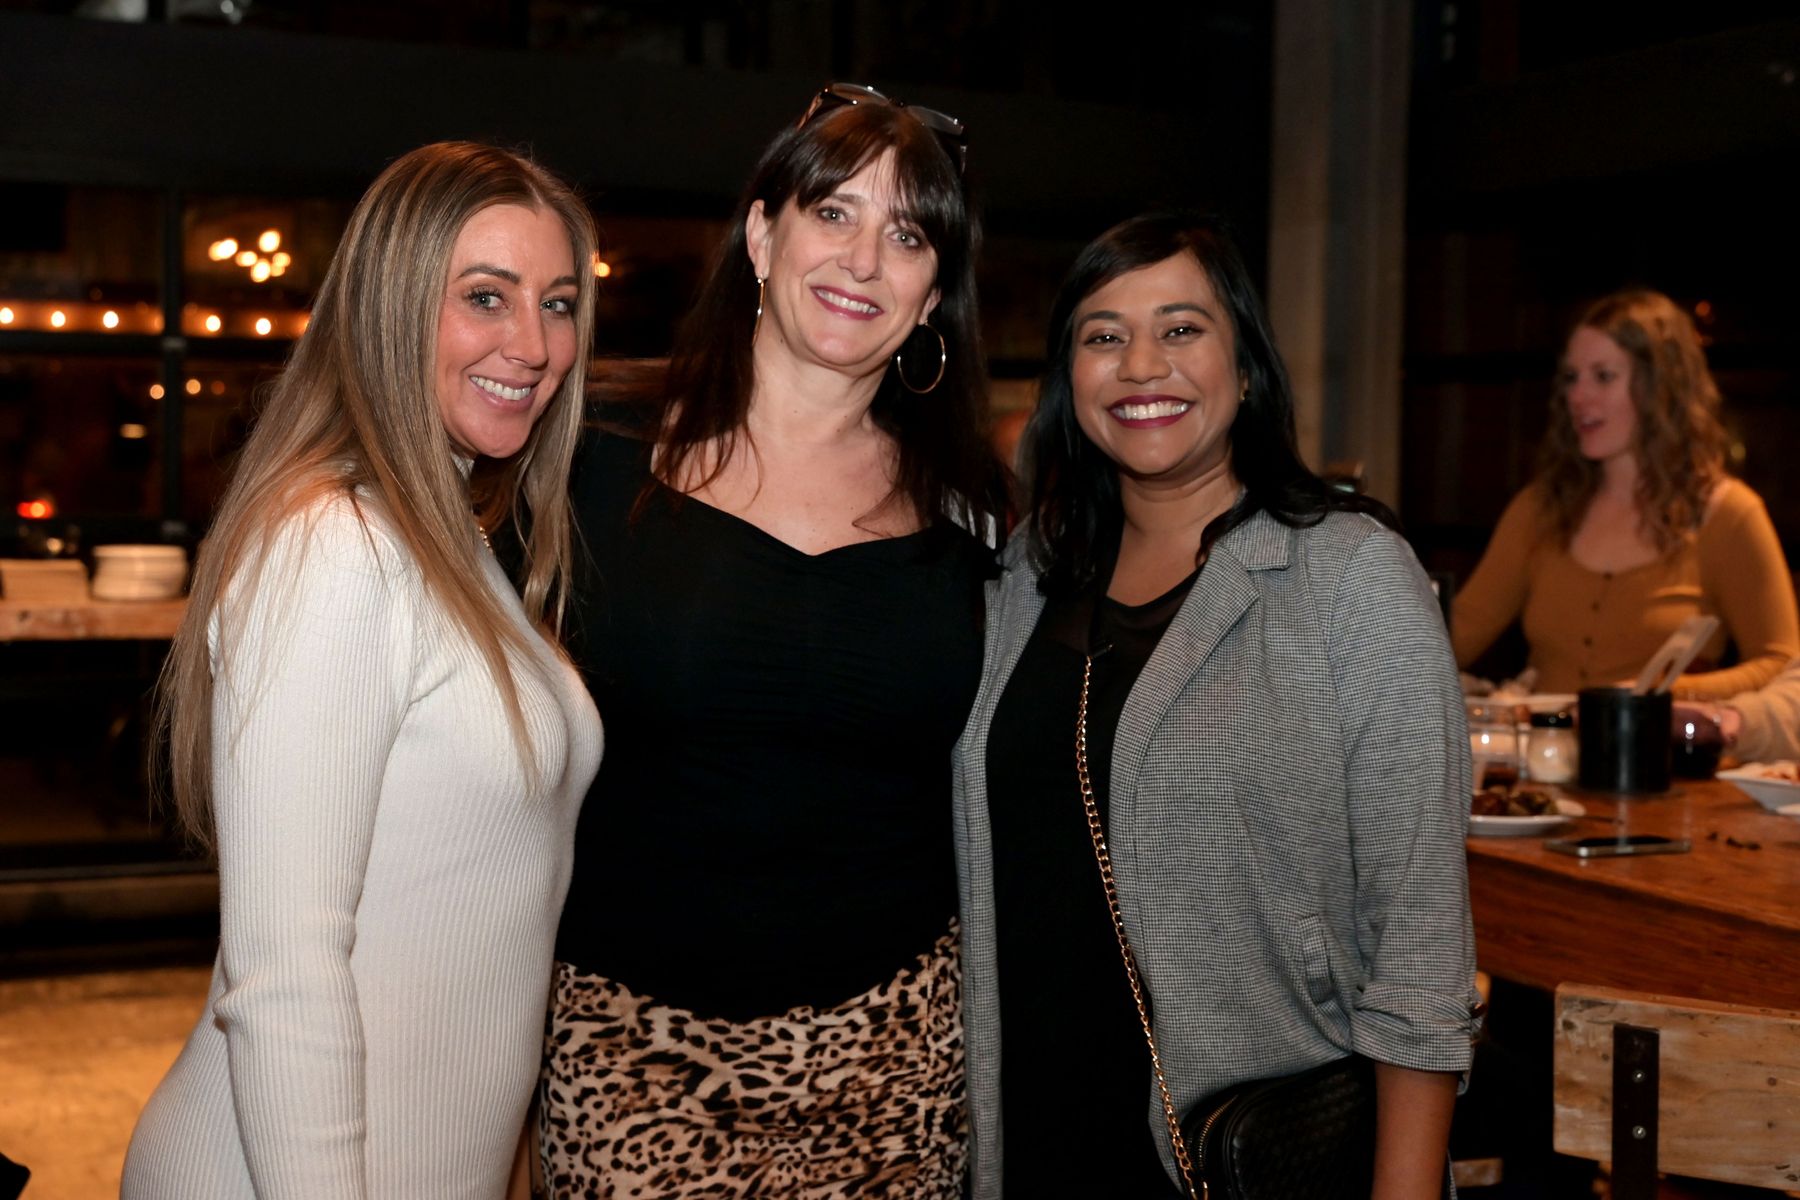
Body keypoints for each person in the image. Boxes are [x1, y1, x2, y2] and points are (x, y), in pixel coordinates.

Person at [954, 212, 1481, 1199]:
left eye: (1182, 328)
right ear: (1069, 379)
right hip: (1032, 1142)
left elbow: (1419, 947)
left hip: (1237, 1160)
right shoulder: (1025, 577)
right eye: (1104, 335)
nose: (1140, 364)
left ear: (1244, 368)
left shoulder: (1349, 579)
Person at [541, 84, 1007, 1198]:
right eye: (833, 212)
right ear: (762, 235)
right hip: (631, 1059)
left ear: (933, 295)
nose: (864, 260)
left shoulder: (977, 517)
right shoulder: (588, 461)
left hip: (898, 1064)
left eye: (908, 237)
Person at [121, 142, 603, 1200]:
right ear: (390, 306)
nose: (534, 345)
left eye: (559, 304)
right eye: (486, 297)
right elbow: (284, 973)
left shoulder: (448, 537)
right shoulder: (335, 545)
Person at [1451, 288, 1797, 700]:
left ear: (1661, 387)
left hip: (1660, 743)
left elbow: (1782, 667)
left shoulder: (1730, 514)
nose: (1577, 397)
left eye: (1603, 376)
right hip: (1545, 741)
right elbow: (1455, 636)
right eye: (1571, 377)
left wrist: (1665, 694)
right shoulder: (1540, 508)